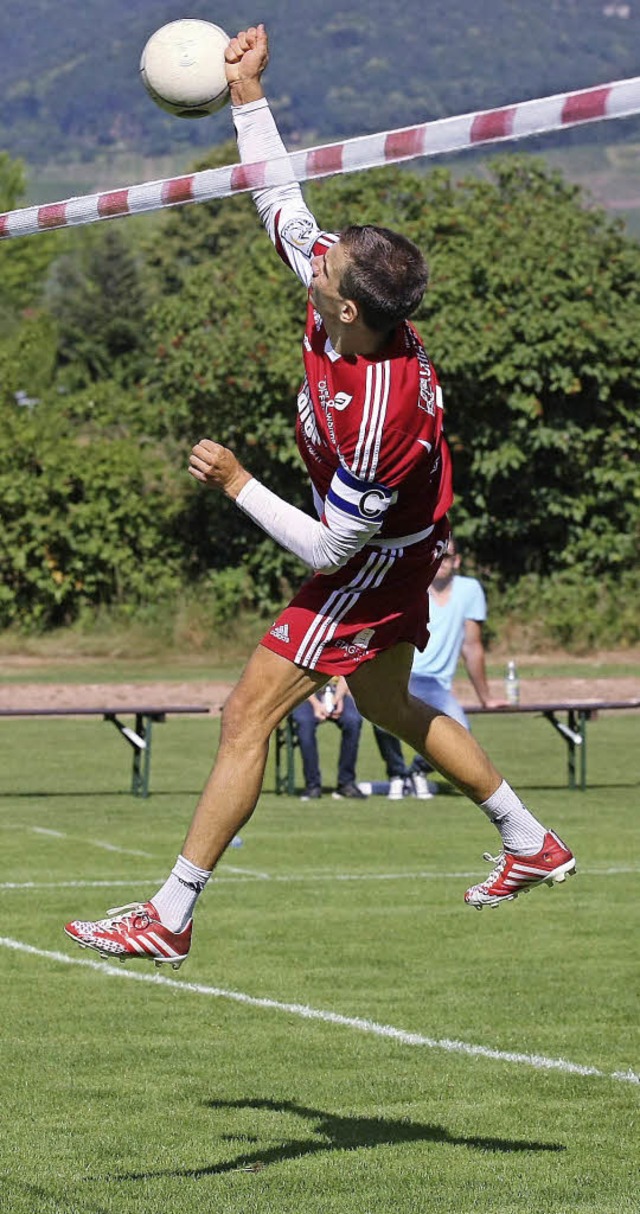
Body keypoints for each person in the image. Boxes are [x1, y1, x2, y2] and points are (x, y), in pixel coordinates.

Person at [64, 24, 575, 969]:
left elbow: (332, 553)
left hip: (370, 560)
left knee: (245, 716)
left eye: (329, 270)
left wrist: (237, 483)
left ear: (350, 308)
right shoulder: (346, 298)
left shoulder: (379, 416)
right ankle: (528, 838)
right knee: (388, 701)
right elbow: (284, 199)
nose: (318, 260)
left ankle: (171, 915)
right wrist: (248, 95)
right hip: (392, 546)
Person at [374, 535, 507, 799]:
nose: (442, 561)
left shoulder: (469, 591)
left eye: (447, 556)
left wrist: (486, 698)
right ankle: (398, 774)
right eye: (437, 555)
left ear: (457, 561)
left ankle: (415, 771)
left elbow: (472, 647)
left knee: (461, 732)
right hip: (404, 673)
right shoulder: (412, 587)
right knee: (380, 720)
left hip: (436, 684)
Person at [292, 677, 367, 800]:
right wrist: (316, 704)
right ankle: (312, 785)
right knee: (304, 723)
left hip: (337, 691)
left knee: (353, 721)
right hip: (307, 695)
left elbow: (346, 672)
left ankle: (346, 783)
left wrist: (338, 698)